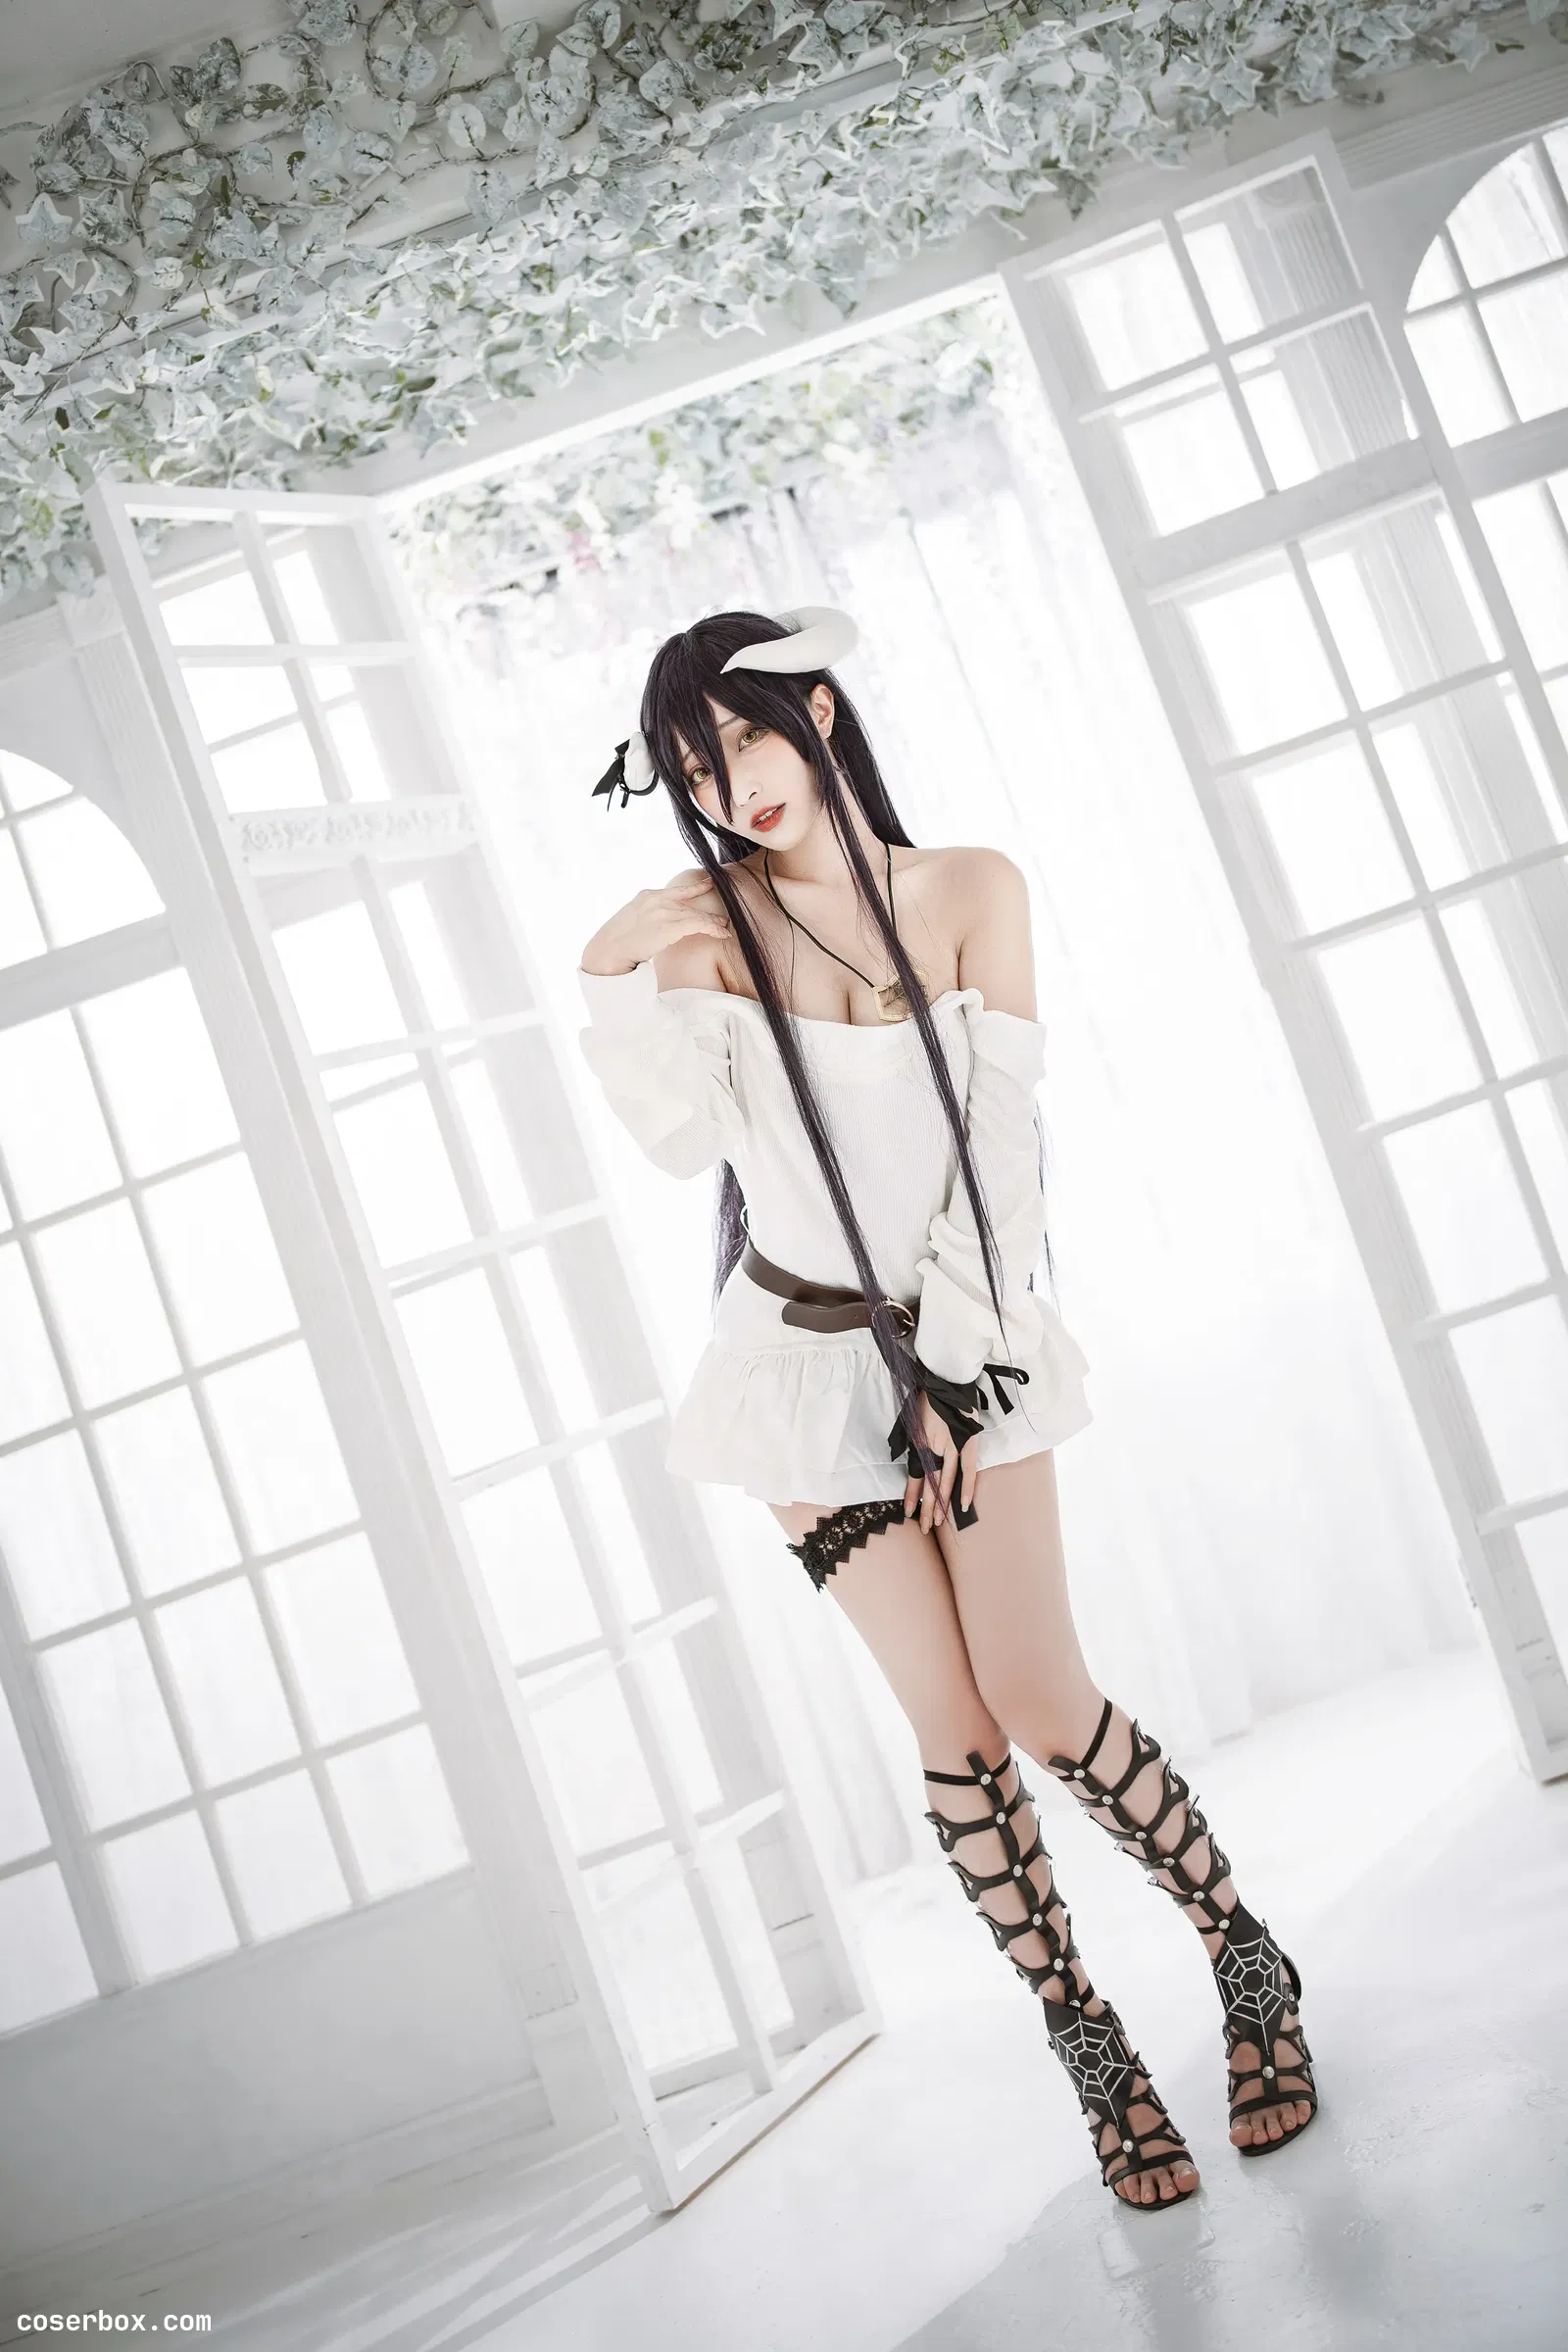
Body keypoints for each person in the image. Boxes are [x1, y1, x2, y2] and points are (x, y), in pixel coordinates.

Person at [575, 605, 1316, 2210]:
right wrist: (617, 959)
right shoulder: (711, 939)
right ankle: (1092, 2051)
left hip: (971, 1346)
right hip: (794, 1371)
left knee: (1041, 1697)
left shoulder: (972, 890)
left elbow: (1002, 1149)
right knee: (958, 1736)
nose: (731, 783)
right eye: (694, 768)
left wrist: (953, 1379)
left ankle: (1246, 1958)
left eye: (747, 736)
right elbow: (673, 1142)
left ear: (821, 711)